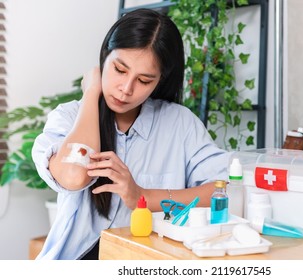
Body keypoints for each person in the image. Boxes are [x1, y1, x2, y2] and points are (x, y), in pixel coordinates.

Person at [32, 8, 230, 260]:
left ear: (160, 80)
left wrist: (143, 196)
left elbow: (223, 191)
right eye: (119, 69)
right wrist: (92, 93)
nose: (126, 89)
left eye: (144, 80)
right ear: (104, 58)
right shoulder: (69, 117)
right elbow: (73, 176)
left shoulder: (180, 124)